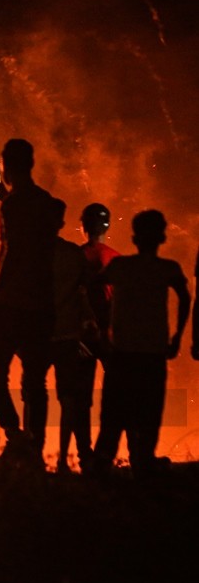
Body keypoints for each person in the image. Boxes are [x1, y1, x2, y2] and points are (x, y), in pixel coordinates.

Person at [0, 138, 62, 466]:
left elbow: (13, 252)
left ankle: (16, 438)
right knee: (34, 381)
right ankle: (35, 449)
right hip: (42, 304)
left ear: (7, 166)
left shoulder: (12, 206)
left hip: (12, 302)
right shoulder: (47, 203)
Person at [93, 210, 191, 477]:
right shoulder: (167, 269)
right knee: (148, 413)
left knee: (113, 414)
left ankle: (101, 466)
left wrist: (103, 329)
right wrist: (177, 337)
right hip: (152, 353)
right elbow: (185, 297)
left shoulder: (120, 267)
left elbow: (93, 286)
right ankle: (142, 461)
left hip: (122, 353)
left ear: (134, 238)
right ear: (162, 237)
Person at [49, 201, 97, 474]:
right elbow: (82, 293)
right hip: (68, 334)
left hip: (43, 333)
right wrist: (90, 320)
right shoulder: (72, 254)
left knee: (34, 393)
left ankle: (31, 453)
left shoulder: (35, 253)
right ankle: (64, 459)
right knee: (69, 399)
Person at [79, 203, 120, 380]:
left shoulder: (75, 256)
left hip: (81, 331)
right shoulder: (116, 258)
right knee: (116, 387)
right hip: (110, 330)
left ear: (83, 226)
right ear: (107, 226)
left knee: (80, 393)